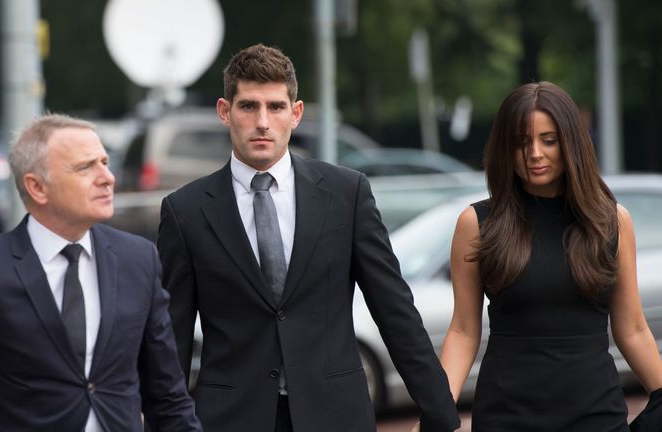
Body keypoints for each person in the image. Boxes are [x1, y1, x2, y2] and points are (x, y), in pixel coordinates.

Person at [156, 43, 460, 432]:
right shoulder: (185, 211)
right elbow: (172, 340)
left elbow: (394, 309)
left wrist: (440, 414)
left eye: (276, 107)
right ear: (224, 112)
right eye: (248, 106)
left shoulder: (347, 193)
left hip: (336, 415)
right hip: (231, 418)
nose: (262, 122)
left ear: (295, 114)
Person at [0, 114, 202, 431]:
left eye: (104, 162)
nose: (107, 177)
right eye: (85, 167)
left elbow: (168, 399)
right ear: (37, 187)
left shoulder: (138, 260)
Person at [439, 81, 662, 431]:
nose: (535, 154)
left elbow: (632, 327)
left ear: (571, 143)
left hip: (596, 416)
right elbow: (464, 330)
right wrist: (436, 410)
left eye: (549, 140)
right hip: (506, 416)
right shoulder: (477, 223)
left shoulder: (612, 221)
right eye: (522, 142)